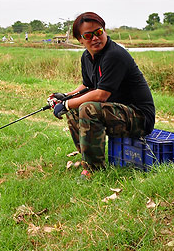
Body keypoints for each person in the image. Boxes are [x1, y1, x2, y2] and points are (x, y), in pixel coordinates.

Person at [49, 12, 155, 179]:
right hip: (117, 112)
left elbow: (101, 95)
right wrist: (66, 97)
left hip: (139, 117)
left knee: (87, 108)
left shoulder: (114, 55)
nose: (95, 38)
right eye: (88, 36)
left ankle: (94, 170)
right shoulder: (87, 57)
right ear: (80, 40)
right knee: (74, 109)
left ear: (104, 31)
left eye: (98, 32)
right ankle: (88, 160)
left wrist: (68, 104)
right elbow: (87, 86)